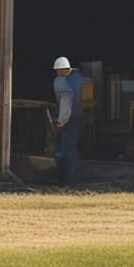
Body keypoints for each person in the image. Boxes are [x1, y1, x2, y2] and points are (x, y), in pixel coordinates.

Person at [52, 56, 82, 186]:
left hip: (67, 120)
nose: (58, 73)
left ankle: (66, 181)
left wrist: (60, 121)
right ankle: (68, 180)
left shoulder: (61, 82)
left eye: (59, 70)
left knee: (64, 150)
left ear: (63, 70)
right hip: (74, 118)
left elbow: (65, 102)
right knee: (69, 149)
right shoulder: (76, 78)